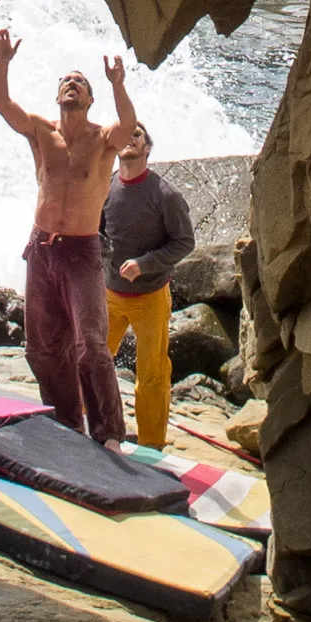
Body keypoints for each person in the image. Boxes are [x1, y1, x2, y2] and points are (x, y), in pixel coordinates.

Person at [0, 27, 131, 442]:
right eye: (66, 81)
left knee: (91, 344)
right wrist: (2, 63)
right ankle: (69, 425)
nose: (72, 84)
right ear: (58, 96)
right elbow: (0, 102)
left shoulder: (103, 139)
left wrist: (118, 84)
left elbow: (129, 125)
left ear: (89, 99)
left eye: (80, 83)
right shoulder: (40, 131)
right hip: (43, 249)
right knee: (43, 348)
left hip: (82, 252)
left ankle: (109, 432)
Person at [101, 122, 196, 449]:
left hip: (151, 297)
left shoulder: (164, 194)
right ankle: (85, 428)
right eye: (124, 135)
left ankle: (151, 445)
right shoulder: (108, 186)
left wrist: (145, 264)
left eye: (136, 135)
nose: (129, 138)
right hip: (109, 295)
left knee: (152, 376)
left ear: (146, 149)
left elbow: (184, 242)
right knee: (93, 362)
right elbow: (98, 233)